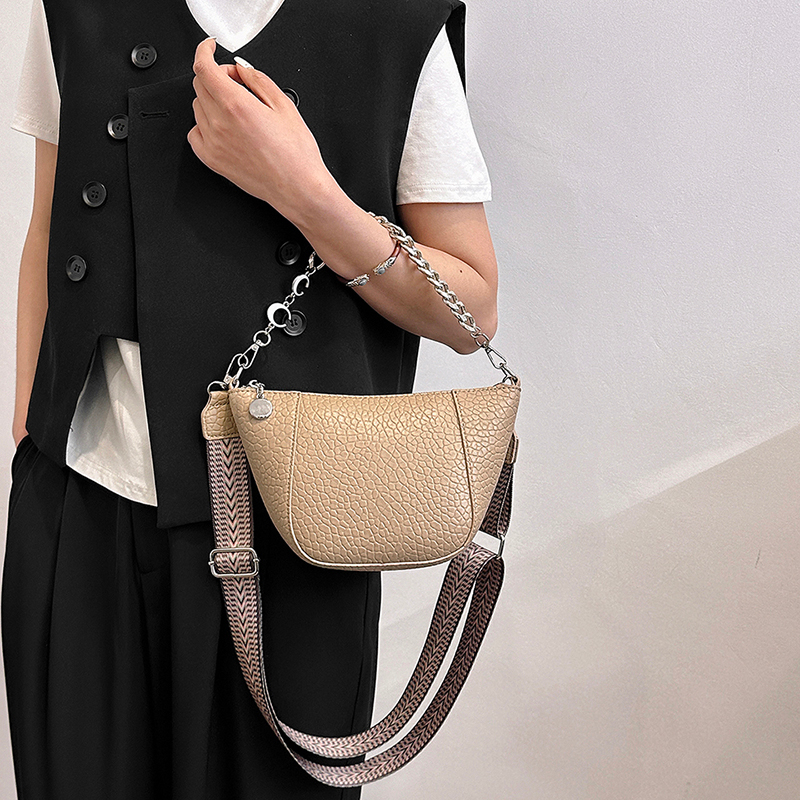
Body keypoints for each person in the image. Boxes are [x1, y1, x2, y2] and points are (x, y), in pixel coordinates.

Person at [2, 0, 500, 797]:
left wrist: (302, 190)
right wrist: (31, 435)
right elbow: (47, 226)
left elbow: (471, 310)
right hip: (85, 505)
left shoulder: (394, 17)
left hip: (296, 528)